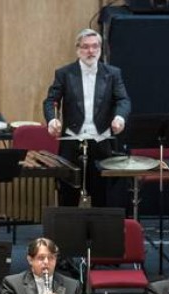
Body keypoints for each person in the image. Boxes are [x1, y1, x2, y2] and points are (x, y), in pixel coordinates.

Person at [44, 27, 131, 208]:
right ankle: (68, 235)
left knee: (102, 197)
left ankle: (99, 236)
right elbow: (51, 100)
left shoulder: (113, 73)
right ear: (78, 49)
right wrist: (52, 120)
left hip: (101, 142)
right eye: (85, 47)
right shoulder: (64, 73)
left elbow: (123, 100)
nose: (90, 51)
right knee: (68, 196)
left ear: (100, 49)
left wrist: (120, 118)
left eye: (94, 46)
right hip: (72, 141)